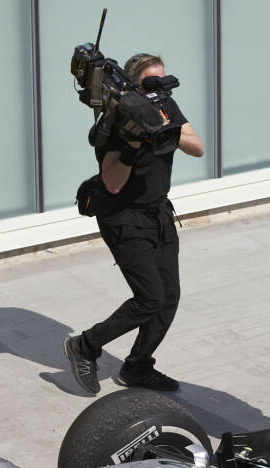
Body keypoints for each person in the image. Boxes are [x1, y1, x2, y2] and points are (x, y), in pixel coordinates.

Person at [65, 54, 204, 395]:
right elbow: (112, 183)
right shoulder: (114, 122)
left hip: (158, 214)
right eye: (150, 83)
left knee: (168, 297)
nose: (158, 89)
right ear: (131, 86)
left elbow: (197, 147)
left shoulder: (165, 105)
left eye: (162, 81)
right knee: (149, 298)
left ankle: (138, 366)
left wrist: (164, 127)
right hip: (123, 217)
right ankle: (84, 346)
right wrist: (132, 143)